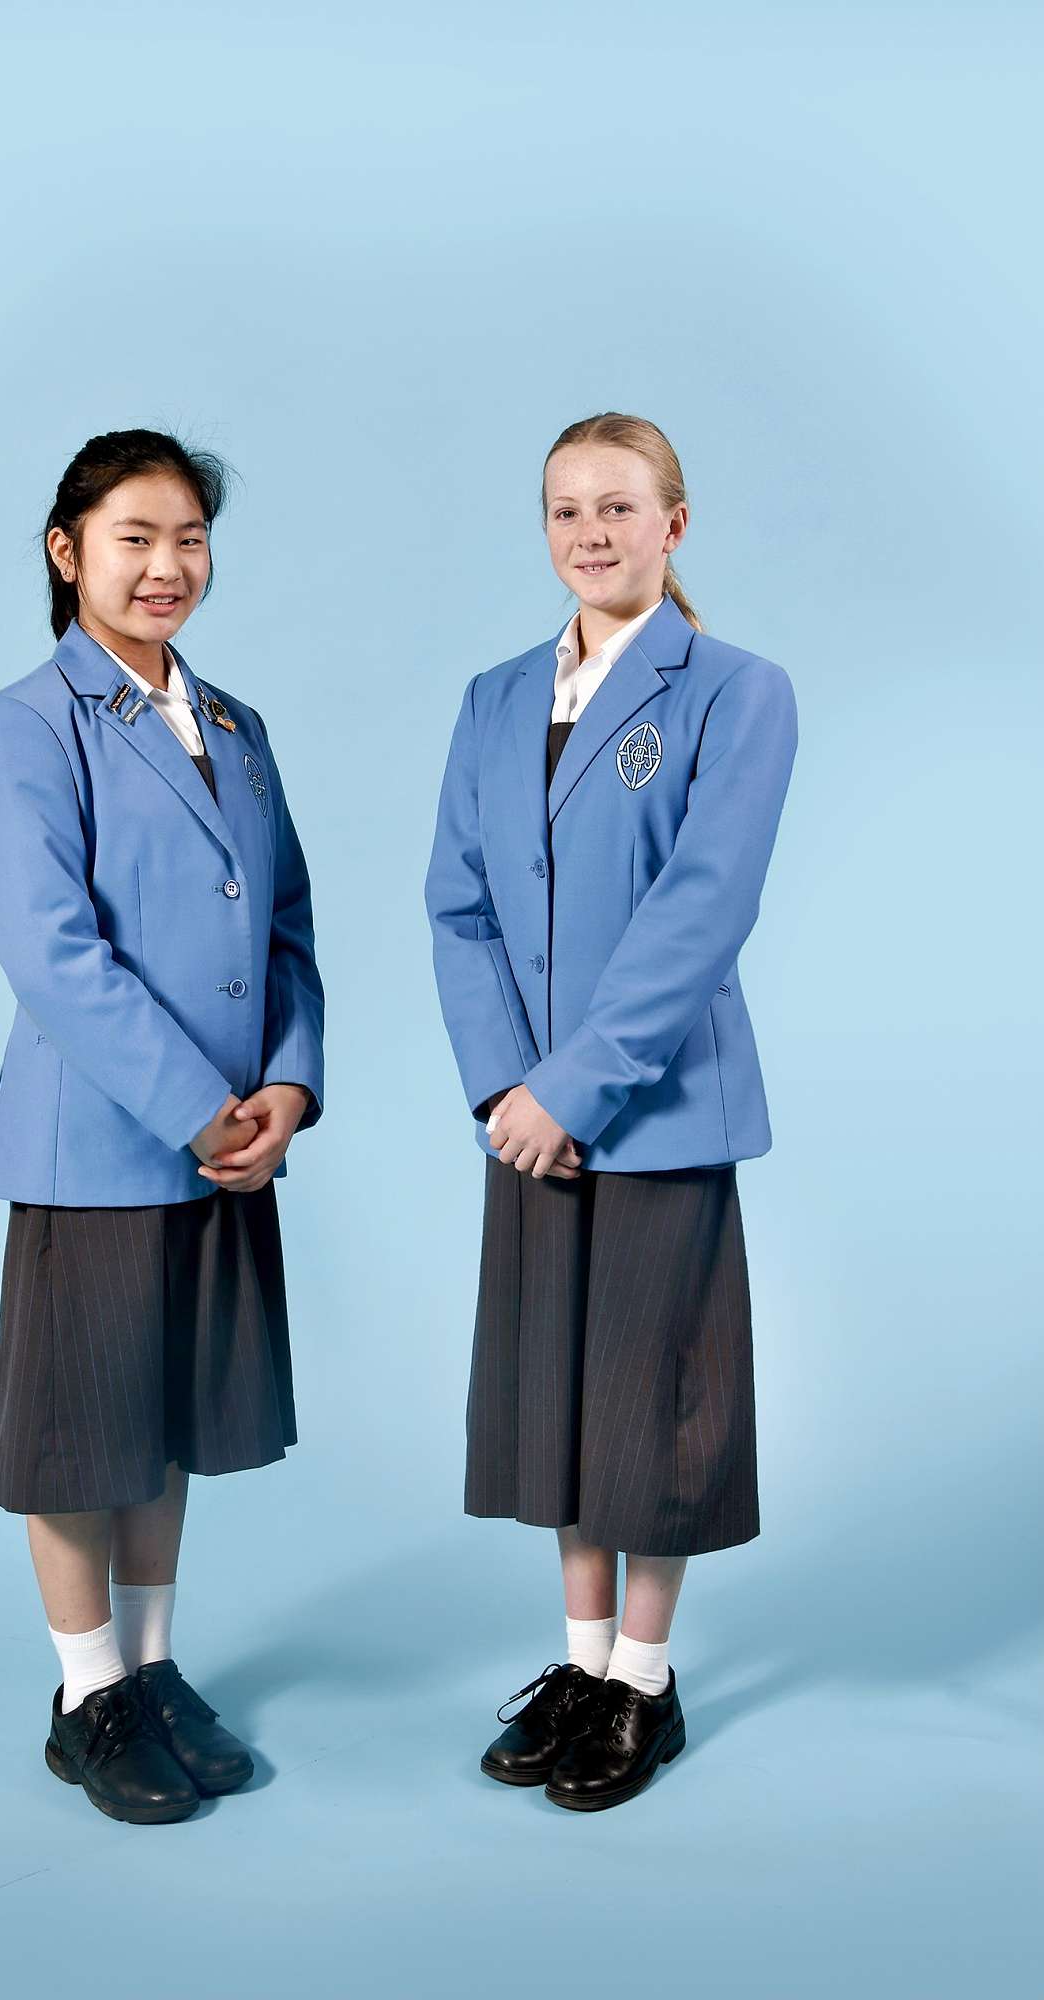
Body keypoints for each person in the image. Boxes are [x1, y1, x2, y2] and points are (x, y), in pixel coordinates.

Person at [424, 411, 797, 1811]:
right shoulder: (494, 699)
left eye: (619, 507)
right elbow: (458, 904)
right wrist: (506, 1091)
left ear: (672, 525)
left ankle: (643, 1680)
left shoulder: (734, 692)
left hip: (657, 1110)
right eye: (566, 509)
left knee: (651, 1404)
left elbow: (701, 911)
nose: (591, 532)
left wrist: (571, 1090)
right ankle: (579, 1667)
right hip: (525, 1118)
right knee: (560, 1398)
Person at [0, 427, 324, 1825]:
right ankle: (86, 1691)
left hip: (230, 1142)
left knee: (168, 1416)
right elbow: (52, 954)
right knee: (82, 1432)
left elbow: (284, 923)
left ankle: (154, 1669)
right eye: (135, 538)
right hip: (103, 1140)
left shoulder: (237, 727)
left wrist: (287, 1085)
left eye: (188, 538)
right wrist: (196, 1113)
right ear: (69, 555)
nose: (167, 565)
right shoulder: (23, 724)